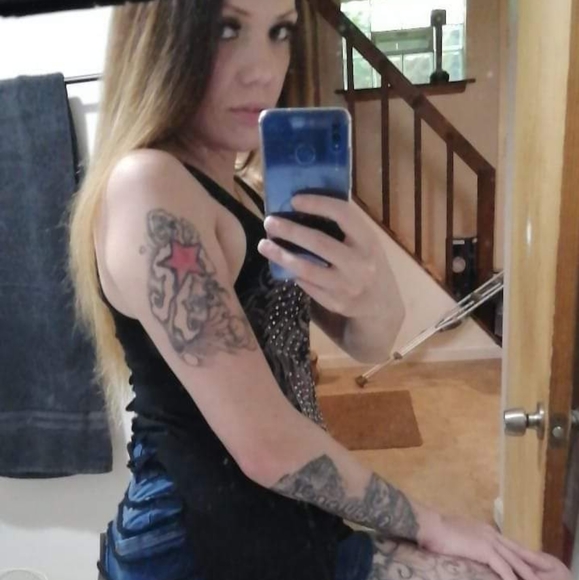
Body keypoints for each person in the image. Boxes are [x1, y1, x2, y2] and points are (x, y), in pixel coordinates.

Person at [68, 1, 573, 579]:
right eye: (227, 29)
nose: (264, 69)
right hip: (197, 553)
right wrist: (434, 523)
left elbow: (368, 345)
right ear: (158, 43)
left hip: (292, 525)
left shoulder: (245, 189)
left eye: (280, 31)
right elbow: (266, 445)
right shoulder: (149, 186)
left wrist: (375, 288)